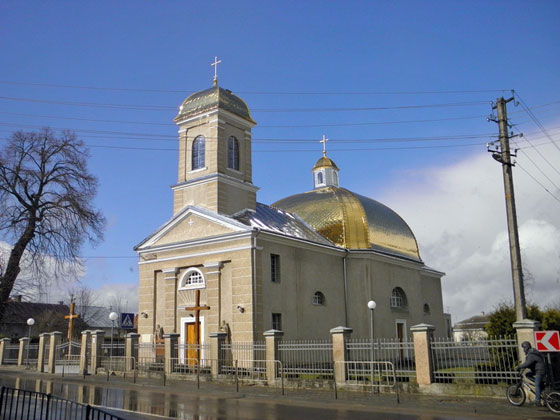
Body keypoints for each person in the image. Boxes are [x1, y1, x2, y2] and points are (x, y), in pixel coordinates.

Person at [518, 341, 546, 406]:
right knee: (528, 374)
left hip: (540, 370)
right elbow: (528, 364)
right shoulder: (531, 353)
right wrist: (521, 370)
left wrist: (519, 367)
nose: (523, 350)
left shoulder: (531, 354)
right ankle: (540, 384)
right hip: (537, 370)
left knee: (536, 385)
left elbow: (527, 364)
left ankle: (538, 401)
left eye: (524, 348)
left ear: (526, 347)